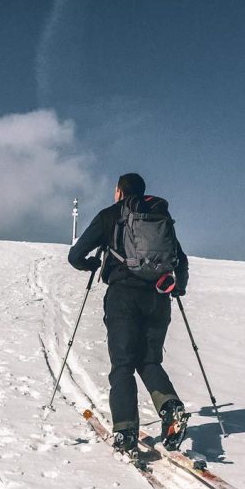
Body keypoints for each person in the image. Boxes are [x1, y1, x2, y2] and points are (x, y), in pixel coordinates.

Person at [68, 173, 189, 452]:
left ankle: (125, 431)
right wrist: (177, 288)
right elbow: (179, 259)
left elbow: (75, 255)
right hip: (158, 297)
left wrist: (89, 265)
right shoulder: (159, 217)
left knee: (122, 365)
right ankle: (171, 409)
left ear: (119, 192)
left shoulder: (111, 215)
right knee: (149, 360)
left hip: (123, 297)